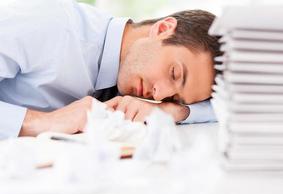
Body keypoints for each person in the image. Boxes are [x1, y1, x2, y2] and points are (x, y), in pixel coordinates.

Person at [0, 0, 220, 139]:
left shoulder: (132, 79)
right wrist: (42, 122)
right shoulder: (48, 24)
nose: (159, 94)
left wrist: (174, 111)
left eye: (174, 97)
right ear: (163, 29)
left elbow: (227, 108)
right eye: (174, 74)